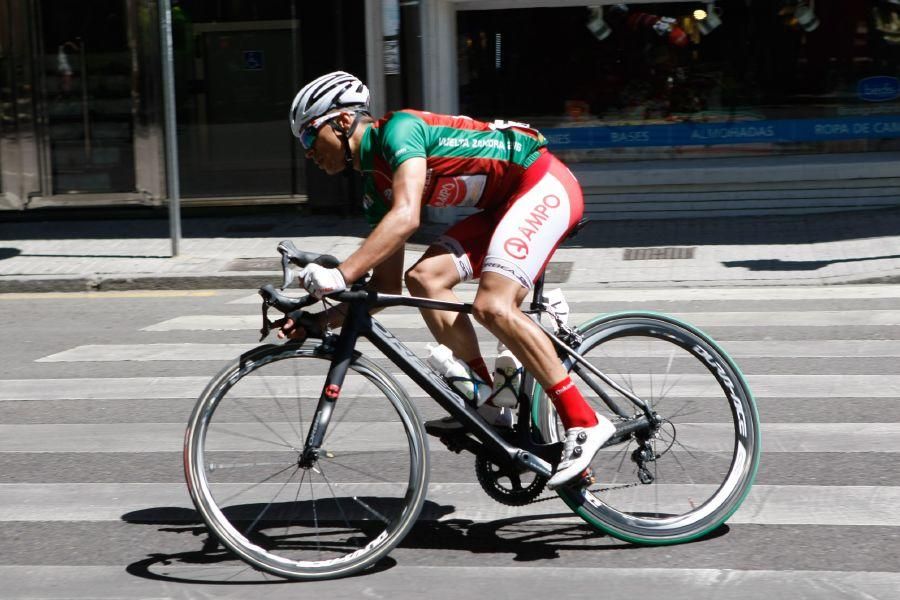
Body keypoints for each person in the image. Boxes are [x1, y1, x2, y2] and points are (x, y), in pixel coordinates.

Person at [279, 71, 615, 490]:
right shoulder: (373, 185)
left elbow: (407, 217)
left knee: (493, 305)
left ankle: (584, 420)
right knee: (423, 278)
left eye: (310, 137)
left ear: (343, 122)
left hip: (541, 183)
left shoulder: (398, 131)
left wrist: (339, 273)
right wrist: (318, 321)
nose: (308, 152)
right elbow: (386, 287)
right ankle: (492, 402)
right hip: (504, 208)